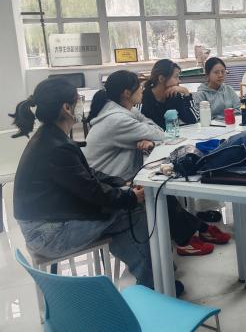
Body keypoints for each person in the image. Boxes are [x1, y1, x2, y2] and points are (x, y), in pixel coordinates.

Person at [10, 78, 153, 288]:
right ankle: (152, 281)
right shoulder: (56, 146)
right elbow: (92, 191)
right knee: (132, 211)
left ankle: (146, 274)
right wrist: (130, 196)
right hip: (47, 234)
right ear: (66, 108)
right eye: (79, 100)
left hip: (46, 223)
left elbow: (87, 175)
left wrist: (122, 182)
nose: (81, 105)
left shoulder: (50, 137)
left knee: (119, 210)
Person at [85, 70, 231, 255]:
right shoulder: (117, 119)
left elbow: (153, 126)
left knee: (159, 189)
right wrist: (148, 134)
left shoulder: (122, 110)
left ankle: (194, 231)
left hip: (116, 177)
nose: (142, 89)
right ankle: (189, 237)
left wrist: (147, 135)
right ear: (127, 93)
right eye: (138, 86)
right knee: (157, 191)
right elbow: (161, 133)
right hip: (109, 185)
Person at [140, 59, 197, 129]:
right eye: (176, 77)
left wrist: (186, 93)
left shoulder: (174, 95)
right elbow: (138, 126)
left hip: (171, 135)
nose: (179, 81)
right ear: (161, 78)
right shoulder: (143, 98)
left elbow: (193, 119)